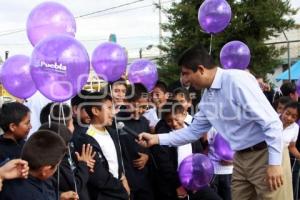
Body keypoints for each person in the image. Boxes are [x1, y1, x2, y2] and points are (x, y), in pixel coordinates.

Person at [138, 44, 285, 199]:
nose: (184, 80)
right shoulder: (208, 97)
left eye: (186, 73)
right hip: (240, 158)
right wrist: (156, 139)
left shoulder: (236, 80)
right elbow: (192, 132)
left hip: (265, 153)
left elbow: (272, 123)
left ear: (201, 69)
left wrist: (274, 163)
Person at [152, 101, 221, 200]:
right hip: (174, 184)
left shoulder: (191, 130)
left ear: (184, 114)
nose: (174, 124)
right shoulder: (163, 136)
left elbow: (199, 156)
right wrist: (178, 186)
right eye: (169, 121)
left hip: (194, 180)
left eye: (176, 119)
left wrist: (202, 179)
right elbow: (165, 166)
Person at [72, 91, 129, 200]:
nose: (113, 113)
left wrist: (123, 178)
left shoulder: (112, 132)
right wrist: (121, 190)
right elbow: (98, 177)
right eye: (108, 108)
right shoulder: (86, 139)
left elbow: (117, 161)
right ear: (95, 111)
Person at [0, 130, 68, 199]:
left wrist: (59, 196)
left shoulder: (6, 168)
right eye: (57, 165)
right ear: (45, 170)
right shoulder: (32, 196)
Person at [118, 83, 154, 200]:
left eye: (144, 107)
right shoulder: (115, 121)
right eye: (134, 105)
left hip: (144, 180)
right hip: (125, 182)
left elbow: (149, 144)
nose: (139, 111)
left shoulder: (144, 122)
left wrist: (147, 156)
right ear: (125, 100)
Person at [279, 101, 300, 200]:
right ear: (282, 111)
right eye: (287, 113)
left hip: (283, 160)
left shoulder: (295, 128)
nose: (289, 118)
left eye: (294, 117)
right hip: (264, 156)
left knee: (279, 189)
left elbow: (291, 147)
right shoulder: (272, 120)